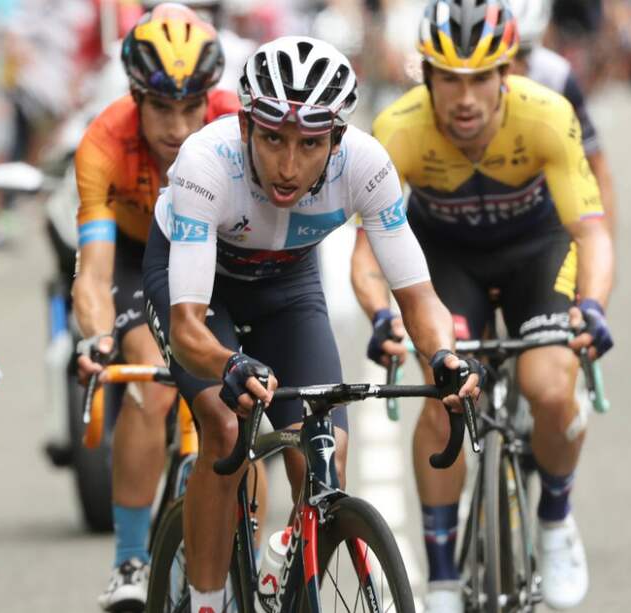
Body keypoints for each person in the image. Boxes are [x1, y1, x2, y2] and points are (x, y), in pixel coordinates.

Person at [142, 35, 481, 613]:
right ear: (246, 126)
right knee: (224, 428)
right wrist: (228, 363)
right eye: (273, 138)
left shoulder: (367, 166)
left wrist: (445, 359)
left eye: (310, 143)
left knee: (326, 454)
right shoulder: (205, 163)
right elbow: (188, 326)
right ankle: (203, 599)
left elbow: (419, 296)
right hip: (202, 295)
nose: (289, 165)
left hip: (286, 287)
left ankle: (289, 572)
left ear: (338, 139)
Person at [351, 1, 614, 610]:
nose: (465, 97)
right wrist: (381, 314)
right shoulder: (398, 128)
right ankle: (442, 575)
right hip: (445, 262)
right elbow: (365, 257)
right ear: (427, 76)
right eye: (450, 79)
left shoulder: (548, 115)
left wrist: (593, 306)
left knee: (549, 385)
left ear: (507, 74)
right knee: (446, 399)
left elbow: (592, 230)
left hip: (535, 253)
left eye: (480, 78)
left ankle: (554, 517)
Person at [71, 4, 240, 610]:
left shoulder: (239, 129)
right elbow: (92, 270)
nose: (177, 126)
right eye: (161, 108)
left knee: (240, 409)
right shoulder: (103, 142)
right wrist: (94, 337)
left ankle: (249, 557)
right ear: (135, 97)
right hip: (137, 260)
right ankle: (129, 559)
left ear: (210, 101)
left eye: (191, 107)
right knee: (155, 385)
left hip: (217, 258)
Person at [509, 0, 617, 236]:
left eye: (522, 54)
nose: (512, 68)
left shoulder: (556, 74)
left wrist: (604, 244)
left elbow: (597, 167)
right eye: (500, 56)